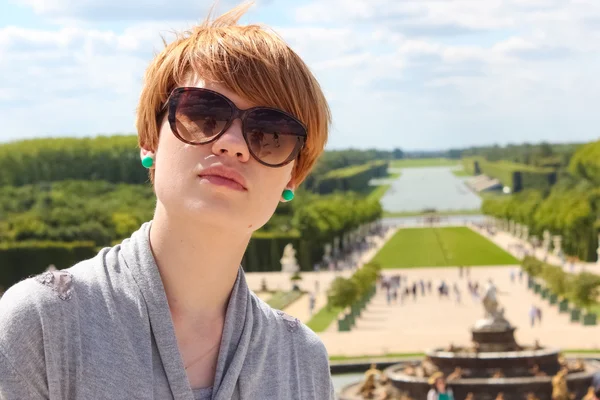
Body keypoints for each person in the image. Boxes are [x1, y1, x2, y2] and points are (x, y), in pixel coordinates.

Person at [0, 4, 334, 400]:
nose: (233, 143)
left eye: (269, 133)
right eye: (204, 113)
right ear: (150, 141)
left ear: (291, 177)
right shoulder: (44, 323)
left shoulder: (302, 359)